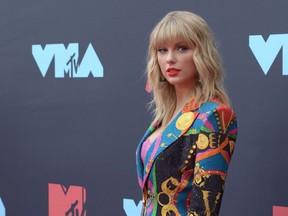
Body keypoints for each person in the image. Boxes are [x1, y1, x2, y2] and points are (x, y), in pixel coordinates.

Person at [136, 11, 238, 216]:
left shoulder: (214, 117)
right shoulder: (163, 118)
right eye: (162, 50)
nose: (170, 59)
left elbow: (204, 210)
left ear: (201, 53)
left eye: (182, 48)